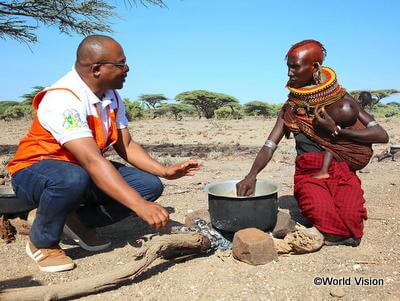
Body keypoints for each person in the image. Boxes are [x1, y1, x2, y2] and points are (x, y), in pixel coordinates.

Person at [7, 35, 200, 272]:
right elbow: (92, 159)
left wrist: (165, 171)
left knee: (149, 185)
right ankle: (42, 242)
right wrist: (138, 205)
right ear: (97, 69)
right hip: (36, 172)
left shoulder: (111, 97)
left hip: (81, 171)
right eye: (121, 64)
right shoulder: (63, 99)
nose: (127, 69)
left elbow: (126, 145)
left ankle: (72, 220)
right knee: (71, 178)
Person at [236, 39, 388, 247]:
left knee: (353, 220)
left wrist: (337, 131)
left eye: (294, 66)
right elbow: (270, 145)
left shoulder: (342, 99)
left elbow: (381, 135)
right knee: (326, 219)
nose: (289, 73)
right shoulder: (290, 108)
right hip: (309, 172)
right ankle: (326, 223)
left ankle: (334, 228)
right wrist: (251, 175)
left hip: (341, 169)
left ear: (315, 67)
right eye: (288, 66)